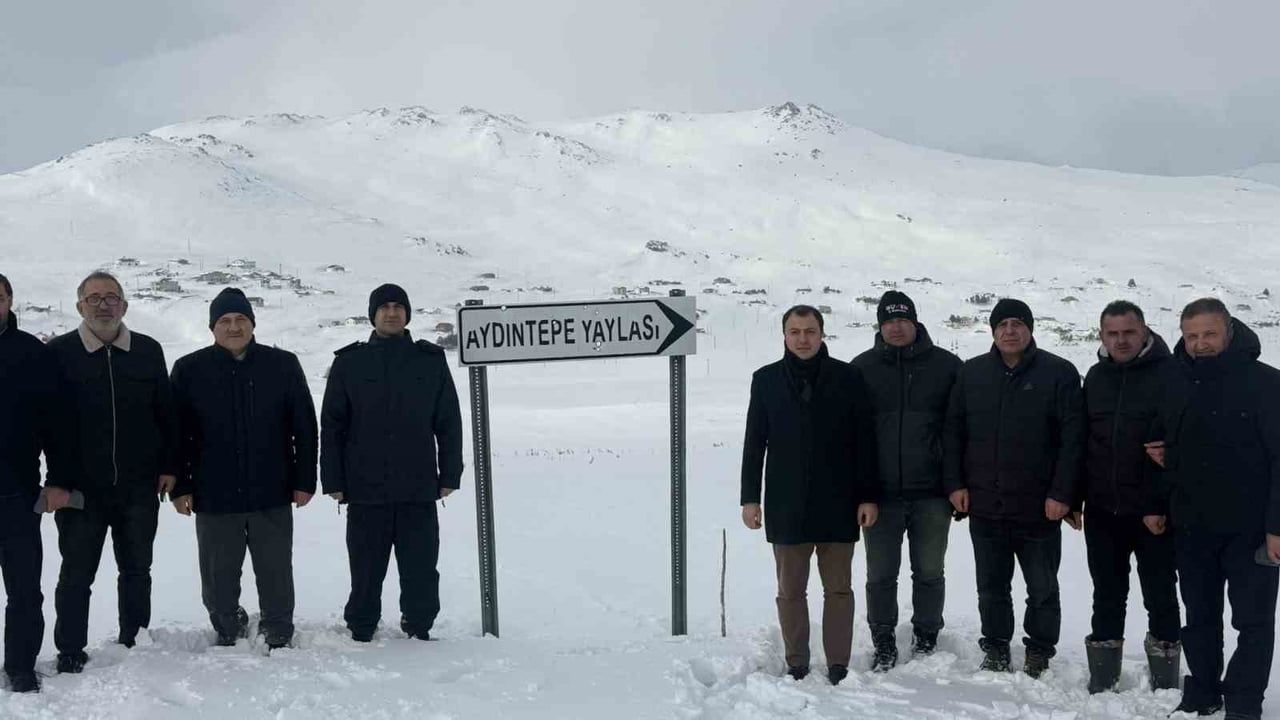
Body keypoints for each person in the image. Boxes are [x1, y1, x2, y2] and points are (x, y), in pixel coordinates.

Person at [1147, 298, 1280, 720]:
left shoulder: (1267, 383)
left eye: (1209, 334)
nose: (1200, 343)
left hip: (1252, 530)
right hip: (1192, 526)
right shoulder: (1174, 381)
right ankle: (1203, 692)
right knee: (1199, 618)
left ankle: (1243, 704)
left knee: (1252, 624)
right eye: (1192, 336)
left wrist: (1277, 526)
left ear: (1229, 331)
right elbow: (1161, 445)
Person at [170, 288, 317, 650]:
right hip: (214, 494)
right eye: (225, 321)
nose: (233, 327)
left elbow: (305, 427)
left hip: (272, 490)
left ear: (252, 323)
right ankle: (227, 624)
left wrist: (304, 481)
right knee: (219, 577)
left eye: (240, 320)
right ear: (212, 327)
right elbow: (174, 433)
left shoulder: (282, 365)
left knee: (276, 571)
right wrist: (181, 486)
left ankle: (278, 627)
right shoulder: (189, 370)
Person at [943, 297, 1084, 678]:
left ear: (1030, 329)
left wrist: (1063, 495)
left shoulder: (1059, 372)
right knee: (991, 587)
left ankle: (1039, 649)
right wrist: (955, 484)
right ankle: (996, 646)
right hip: (986, 503)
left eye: (1017, 323)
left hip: (1040, 508)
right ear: (992, 331)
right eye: (1002, 324)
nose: (1010, 330)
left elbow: (1074, 440)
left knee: (1041, 588)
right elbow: (953, 433)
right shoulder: (972, 374)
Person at [741, 304, 878, 685]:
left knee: (838, 589)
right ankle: (797, 661)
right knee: (790, 591)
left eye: (810, 331)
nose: (803, 338)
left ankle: (838, 663)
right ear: (784, 335)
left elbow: (864, 442)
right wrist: (750, 497)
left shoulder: (848, 378)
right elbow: (755, 442)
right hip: (786, 503)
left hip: (839, 500)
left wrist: (868, 496)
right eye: (795, 331)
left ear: (822, 334)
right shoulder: (765, 380)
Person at [47, 271, 176, 673]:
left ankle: (134, 640)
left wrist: (170, 467)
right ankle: (70, 649)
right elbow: (44, 422)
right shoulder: (59, 354)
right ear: (79, 305)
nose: (103, 305)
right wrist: (53, 482)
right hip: (79, 490)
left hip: (139, 487)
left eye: (111, 297)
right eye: (94, 298)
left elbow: (166, 415)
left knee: (137, 569)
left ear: (124, 304)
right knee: (76, 573)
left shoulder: (148, 351)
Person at [321, 283, 462, 642]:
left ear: (407, 314)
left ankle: (419, 625)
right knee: (366, 568)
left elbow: (448, 421)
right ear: (373, 314)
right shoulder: (349, 363)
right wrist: (333, 479)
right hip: (365, 487)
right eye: (384, 307)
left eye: (398, 306)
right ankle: (362, 626)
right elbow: (332, 426)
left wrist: (450, 474)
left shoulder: (428, 361)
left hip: (417, 486)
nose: (392, 312)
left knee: (421, 567)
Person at [851, 291, 960, 671]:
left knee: (929, 571)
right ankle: (883, 638)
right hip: (879, 497)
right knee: (880, 574)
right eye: (888, 320)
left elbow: (960, 431)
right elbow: (851, 437)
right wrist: (859, 491)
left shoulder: (947, 367)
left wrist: (956, 484)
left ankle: (926, 635)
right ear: (880, 326)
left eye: (903, 319)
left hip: (932, 493)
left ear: (915, 322)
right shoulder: (860, 369)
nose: (896, 327)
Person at [1080, 300, 1180, 693]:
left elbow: (1180, 442)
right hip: (1103, 508)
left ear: (1144, 330)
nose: (1121, 340)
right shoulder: (1096, 376)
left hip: (1153, 512)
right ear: (1102, 335)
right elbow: (1082, 441)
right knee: (1106, 593)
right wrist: (1075, 497)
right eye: (1112, 333)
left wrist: (1158, 503)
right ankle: (1103, 677)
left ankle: (1165, 679)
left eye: (1128, 332)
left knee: (1160, 594)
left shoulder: (1171, 374)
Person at [0, 273, 66, 692]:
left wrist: (57, 479)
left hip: (16, 494)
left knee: (24, 590)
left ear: (9, 300)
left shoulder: (31, 354)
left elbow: (55, 425)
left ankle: (20, 665)